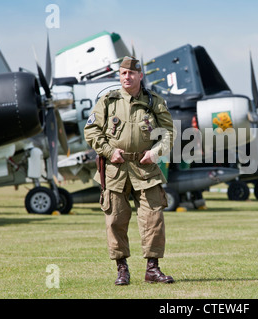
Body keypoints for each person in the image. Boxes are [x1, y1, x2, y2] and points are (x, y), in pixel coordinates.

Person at [84, 56, 174, 285]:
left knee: (153, 218)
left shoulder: (155, 102)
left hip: (146, 169)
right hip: (115, 169)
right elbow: (92, 131)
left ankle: (152, 269)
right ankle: (121, 269)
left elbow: (168, 134)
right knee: (115, 220)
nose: (127, 77)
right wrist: (107, 151)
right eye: (123, 73)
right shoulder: (107, 101)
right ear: (120, 76)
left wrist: (155, 153)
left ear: (140, 76)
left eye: (132, 73)